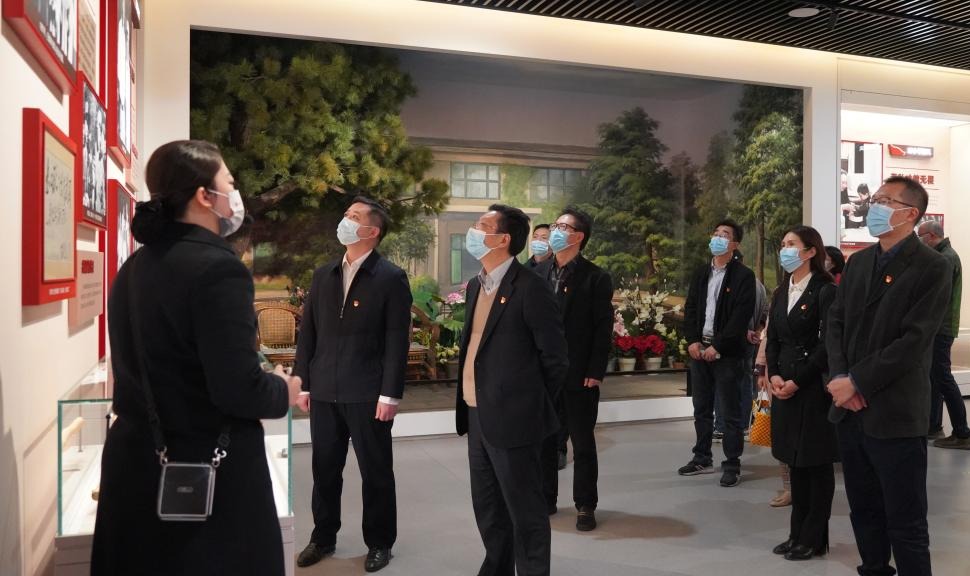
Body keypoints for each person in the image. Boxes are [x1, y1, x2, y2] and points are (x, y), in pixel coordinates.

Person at [91, 140, 303, 576]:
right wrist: (281, 390)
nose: (235, 194)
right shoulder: (218, 269)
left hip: (135, 462)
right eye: (230, 183)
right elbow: (238, 389)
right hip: (204, 469)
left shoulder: (134, 267)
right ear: (205, 196)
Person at [826, 176, 951, 576]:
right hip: (851, 411)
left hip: (895, 413)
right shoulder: (859, 262)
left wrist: (857, 382)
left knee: (906, 520)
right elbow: (836, 323)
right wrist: (841, 378)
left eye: (884, 200)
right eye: (875, 198)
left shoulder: (932, 266)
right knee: (864, 511)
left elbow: (914, 341)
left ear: (910, 213)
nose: (874, 206)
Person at [293, 197, 412, 572]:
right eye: (345, 214)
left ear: (372, 231)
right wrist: (304, 383)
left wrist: (390, 393)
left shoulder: (390, 278)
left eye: (354, 217)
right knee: (324, 470)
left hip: (368, 392)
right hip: (324, 390)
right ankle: (322, 537)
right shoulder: (323, 274)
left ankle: (380, 542)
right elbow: (308, 334)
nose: (345, 220)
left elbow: (397, 340)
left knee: (376, 472)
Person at [456, 204, 568, 576]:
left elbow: (555, 358)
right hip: (477, 413)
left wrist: (528, 406)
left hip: (515, 420)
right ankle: (496, 568)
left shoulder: (531, 288)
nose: (474, 231)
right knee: (488, 506)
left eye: (482, 225)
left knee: (525, 510)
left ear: (503, 239)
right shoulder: (476, 285)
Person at [534, 207, 613, 531]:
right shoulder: (538, 273)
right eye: (555, 225)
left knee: (582, 443)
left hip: (580, 373)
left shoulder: (596, 277)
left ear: (578, 236)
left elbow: (602, 327)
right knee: (544, 441)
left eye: (563, 227)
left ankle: (585, 504)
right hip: (543, 373)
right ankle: (546, 498)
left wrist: (596, 370)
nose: (555, 230)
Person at [765, 225, 838, 561]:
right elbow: (773, 339)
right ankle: (796, 534)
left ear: (810, 251)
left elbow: (828, 345)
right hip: (783, 386)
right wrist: (774, 374)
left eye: (792, 244)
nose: (785, 249)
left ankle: (814, 537)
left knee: (815, 464)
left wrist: (797, 380)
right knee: (794, 462)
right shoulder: (782, 290)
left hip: (811, 388)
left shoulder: (825, 290)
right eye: (783, 244)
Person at [679, 219, 756, 487]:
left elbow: (740, 318)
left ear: (734, 244)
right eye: (715, 233)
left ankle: (732, 462)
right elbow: (690, 308)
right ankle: (702, 457)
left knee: (730, 411)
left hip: (728, 354)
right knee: (701, 408)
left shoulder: (743, 276)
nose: (718, 238)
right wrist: (692, 341)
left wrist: (718, 346)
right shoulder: (702, 273)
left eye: (724, 235)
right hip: (700, 350)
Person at [917, 220, 968, 448]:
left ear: (930, 235)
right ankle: (934, 425)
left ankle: (962, 432)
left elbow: (938, 297)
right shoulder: (944, 256)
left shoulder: (945, 259)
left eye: (920, 235)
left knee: (943, 377)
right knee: (936, 377)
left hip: (940, 327)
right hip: (940, 325)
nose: (919, 239)